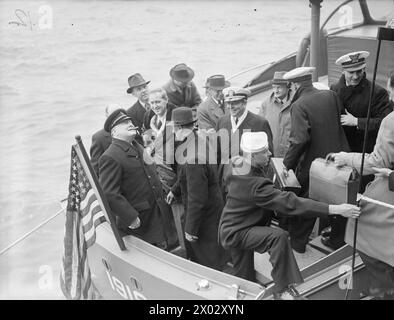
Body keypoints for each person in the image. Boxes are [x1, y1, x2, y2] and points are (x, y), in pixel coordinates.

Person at [219, 131, 360, 300]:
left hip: (230, 226)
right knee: (278, 237)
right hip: (239, 232)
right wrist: (335, 209)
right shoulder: (255, 185)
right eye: (264, 151)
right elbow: (292, 203)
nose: (270, 153)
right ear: (252, 155)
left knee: (244, 278)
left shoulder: (235, 162)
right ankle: (283, 290)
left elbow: (237, 189)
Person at [325, 51, 393, 248]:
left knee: (359, 197)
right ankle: (338, 233)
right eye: (351, 72)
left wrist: (358, 122)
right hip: (341, 152)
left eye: (360, 71)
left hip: (364, 153)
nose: (355, 76)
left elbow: (386, 123)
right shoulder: (334, 89)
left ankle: (353, 238)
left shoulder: (377, 93)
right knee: (339, 193)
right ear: (343, 71)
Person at [282, 67, 350, 253]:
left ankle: (297, 244)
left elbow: (299, 139)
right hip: (341, 161)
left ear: (294, 85)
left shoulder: (299, 106)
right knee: (338, 201)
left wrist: (286, 165)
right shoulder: (331, 95)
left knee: (308, 203)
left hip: (316, 166)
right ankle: (336, 241)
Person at [331, 111, 394, 300]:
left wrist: (346, 158)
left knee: (359, 224)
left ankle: (384, 288)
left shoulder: (391, 120)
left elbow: (378, 162)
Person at [98, 109, 178, 250]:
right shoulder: (110, 156)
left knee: (166, 251)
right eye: (123, 123)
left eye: (129, 121)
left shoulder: (137, 146)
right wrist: (130, 217)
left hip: (157, 213)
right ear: (114, 132)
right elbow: (109, 193)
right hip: (140, 222)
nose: (130, 124)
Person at [170, 107, 226, 270]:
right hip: (215, 203)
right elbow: (186, 174)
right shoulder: (199, 139)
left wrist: (190, 229)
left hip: (204, 214)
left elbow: (197, 198)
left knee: (207, 257)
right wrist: (175, 189)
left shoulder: (192, 156)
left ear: (178, 128)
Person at [216, 86, 274, 194]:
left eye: (235, 103)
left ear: (244, 102)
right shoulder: (222, 122)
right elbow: (217, 153)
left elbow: (268, 156)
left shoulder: (260, 123)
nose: (230, 107)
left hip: (248, 183)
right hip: (225, 182)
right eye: (228, 103)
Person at [259, 71, 293, 157]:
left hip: (290, 155)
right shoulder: (265, 104)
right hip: (271, 154)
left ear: (288, 87)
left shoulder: (296, 103)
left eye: (279, 87)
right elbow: (259, 128)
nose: (276, 90)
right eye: (274, 87)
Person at [90, 104, 121, 177]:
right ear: (107, 116)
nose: (117, 117)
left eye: (119, 114)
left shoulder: (130, 131)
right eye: (113, 115)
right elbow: (96, 167)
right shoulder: (99, 138)